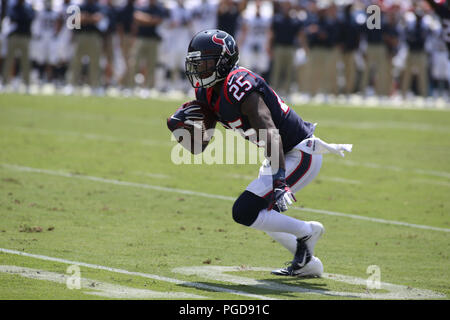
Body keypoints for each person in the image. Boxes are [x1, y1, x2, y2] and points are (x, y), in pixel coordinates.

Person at [168, 30, 352, 276]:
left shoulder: (238, 84)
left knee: (245, 210)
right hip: (277, 153)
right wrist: (178, 130)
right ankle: (308, 263)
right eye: (196, 63)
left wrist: (279, 180)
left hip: (299, 152)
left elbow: (269, 129)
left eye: (205, 63)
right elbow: (199, 146)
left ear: (223, 62)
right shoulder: (206, 92)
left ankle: (307, 231)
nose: (199, 69)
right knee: (262, 214)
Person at [68, 0, 105, 91]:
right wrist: (89, 19)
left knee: (95, 63)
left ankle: (95, 86)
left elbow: (98, 19)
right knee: (76, 62)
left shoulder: (99, 7)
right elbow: (74, 21)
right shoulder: (79, 6)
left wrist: (85, 18)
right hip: (81, 36)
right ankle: (72, 85)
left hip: (94, 37)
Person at [1, 0, 35, 89]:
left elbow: (30, 18)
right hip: (14, 36)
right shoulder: (13, 6)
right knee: (9, 60)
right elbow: (12, 17)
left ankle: (27, 84)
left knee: (25, 61)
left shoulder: (28, 7)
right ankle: (4, 83)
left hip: (25, 36)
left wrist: (20, 19)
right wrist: (21, 19)